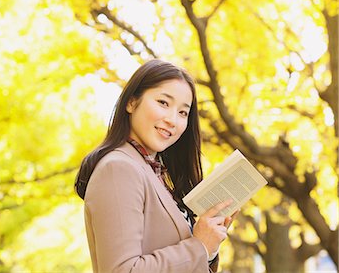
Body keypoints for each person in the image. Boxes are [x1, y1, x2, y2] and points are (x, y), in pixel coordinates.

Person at [75, 59, 237, 273]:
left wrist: (210, 245)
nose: (172, 119)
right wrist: (199, 246)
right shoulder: (118, 169)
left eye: (183, 112)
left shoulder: (156, 173)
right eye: (163, 103)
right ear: (131, 103)